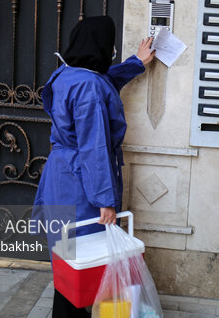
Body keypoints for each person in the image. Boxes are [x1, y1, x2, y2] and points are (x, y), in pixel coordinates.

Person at [33, 16, 155, 317]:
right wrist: (106, 202)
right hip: (81, 183)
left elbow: (103, 81)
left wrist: (135, 63)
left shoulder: (67, 73)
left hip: (61, 177)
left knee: (68, 260)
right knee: (82, 263)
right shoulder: (88, 87)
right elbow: (94, 148)